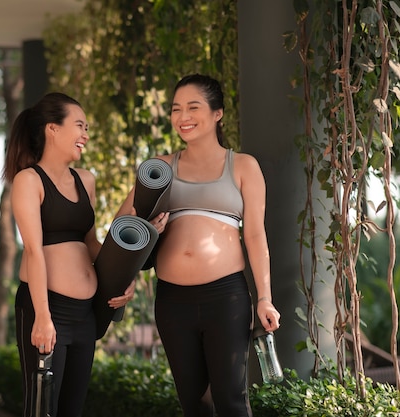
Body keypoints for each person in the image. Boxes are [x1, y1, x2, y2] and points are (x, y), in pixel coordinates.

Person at [117, 74, 281, 417]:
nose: (182, 116)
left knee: (231, 401)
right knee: (194, 404)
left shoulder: (244, 166)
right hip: (173, 300)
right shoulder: (159, 167)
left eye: (193, 107)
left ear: (217, 113)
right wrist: (126, 273)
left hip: (226, 297)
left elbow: (254, 236)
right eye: (176, 109)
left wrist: (264, 297)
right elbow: (122, 228)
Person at [4, 92, 135, 417]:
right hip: (47, 309)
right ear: (52, 129)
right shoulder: (28, 180)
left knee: (72, 411)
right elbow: (34, 251)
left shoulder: (85, 180)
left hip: (84, 314)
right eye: (79, 125)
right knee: (41, 409)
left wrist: (123, 276)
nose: (85, 135)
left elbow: (90, 242)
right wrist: (43, 317)